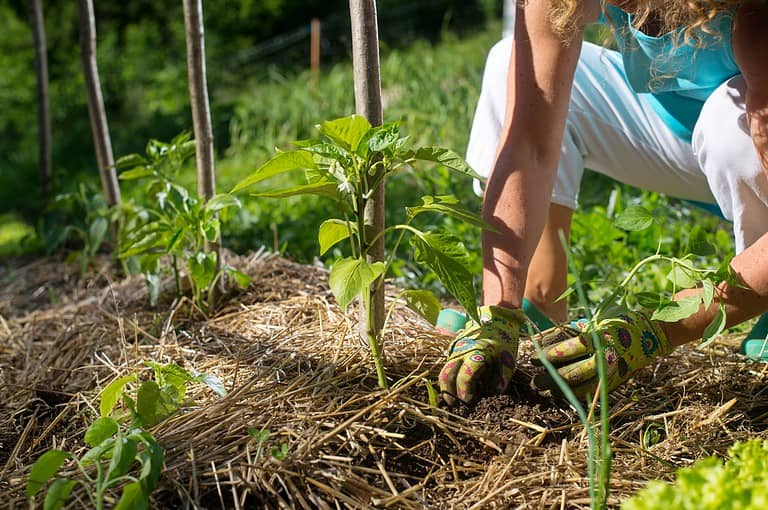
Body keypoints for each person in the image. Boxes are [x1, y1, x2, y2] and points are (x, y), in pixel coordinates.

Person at [438, 0, 768, 406]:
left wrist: (653, 331)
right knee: (512, 59)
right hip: (677, 133)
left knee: (727, 123)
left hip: (743, 137)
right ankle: (540, 300)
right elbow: (530, 140)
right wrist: (498, 310)